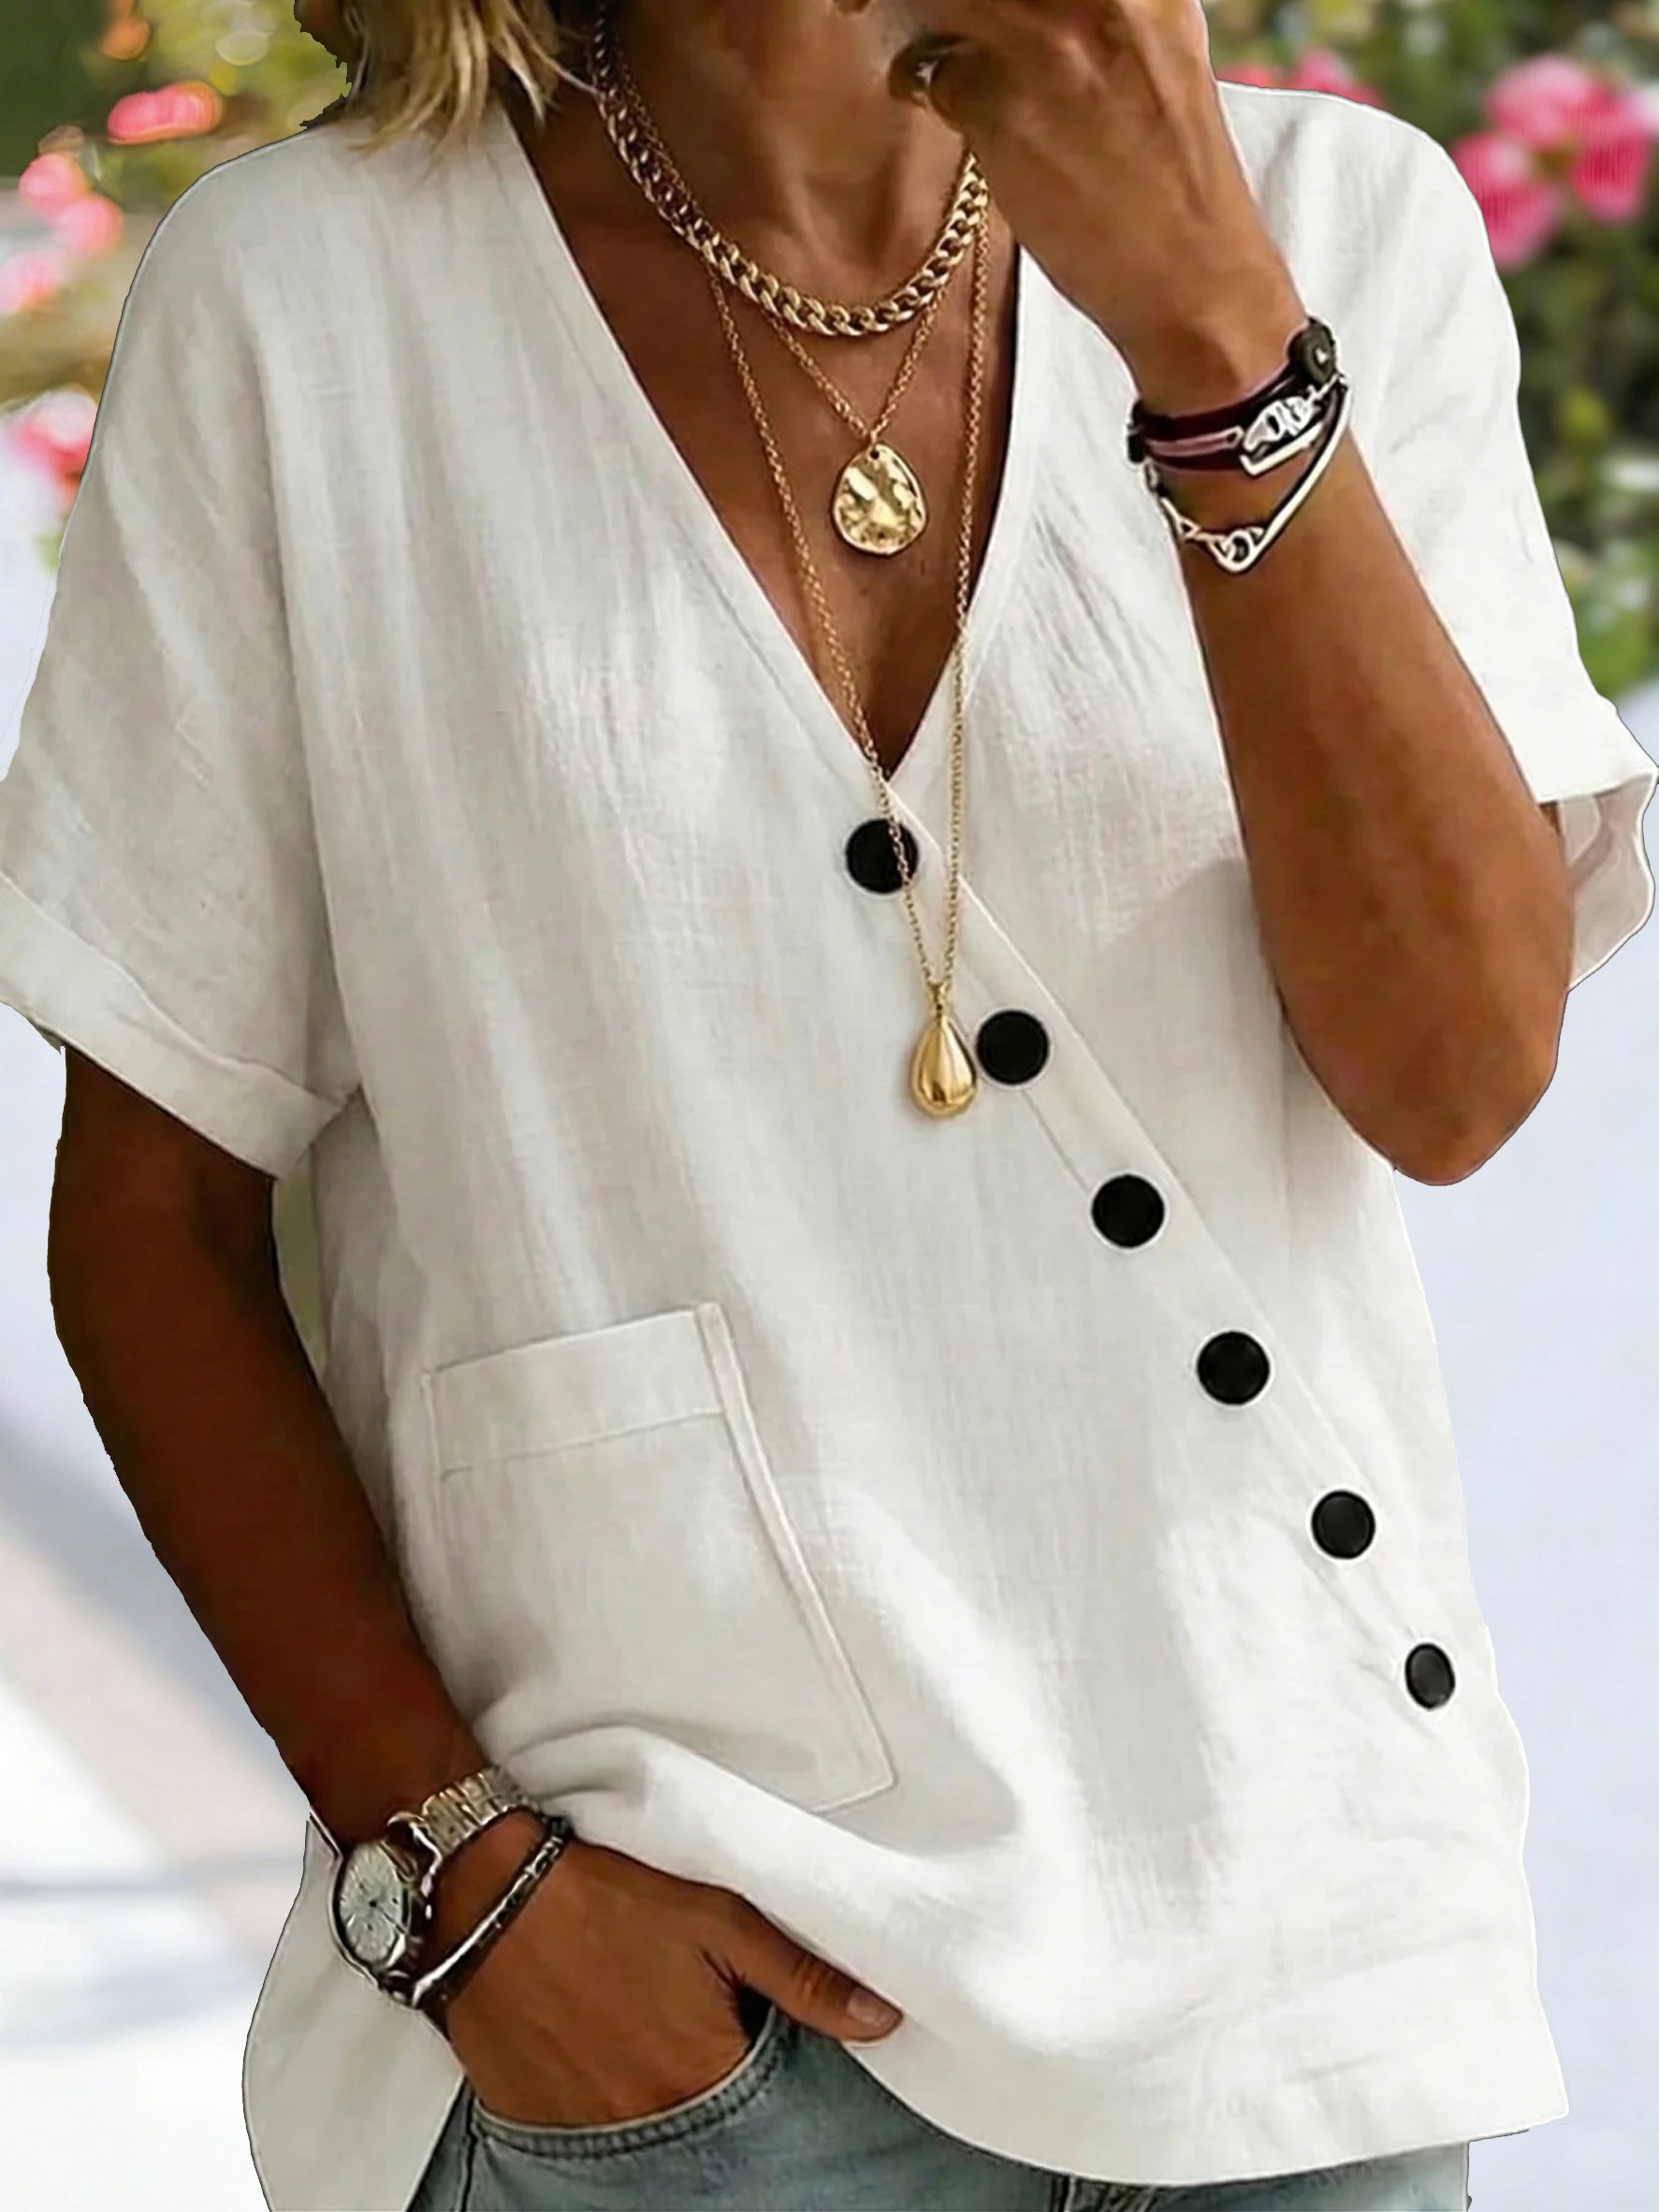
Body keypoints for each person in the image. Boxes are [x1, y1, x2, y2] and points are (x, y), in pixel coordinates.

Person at [0, 1, 1652, 2207]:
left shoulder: (1332, 227)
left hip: (1288, 1979)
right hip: (675, 2028)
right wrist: (459, 1879)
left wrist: (1212, 339)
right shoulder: (310, 302)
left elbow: (1448, 1076)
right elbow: (154, 1223)